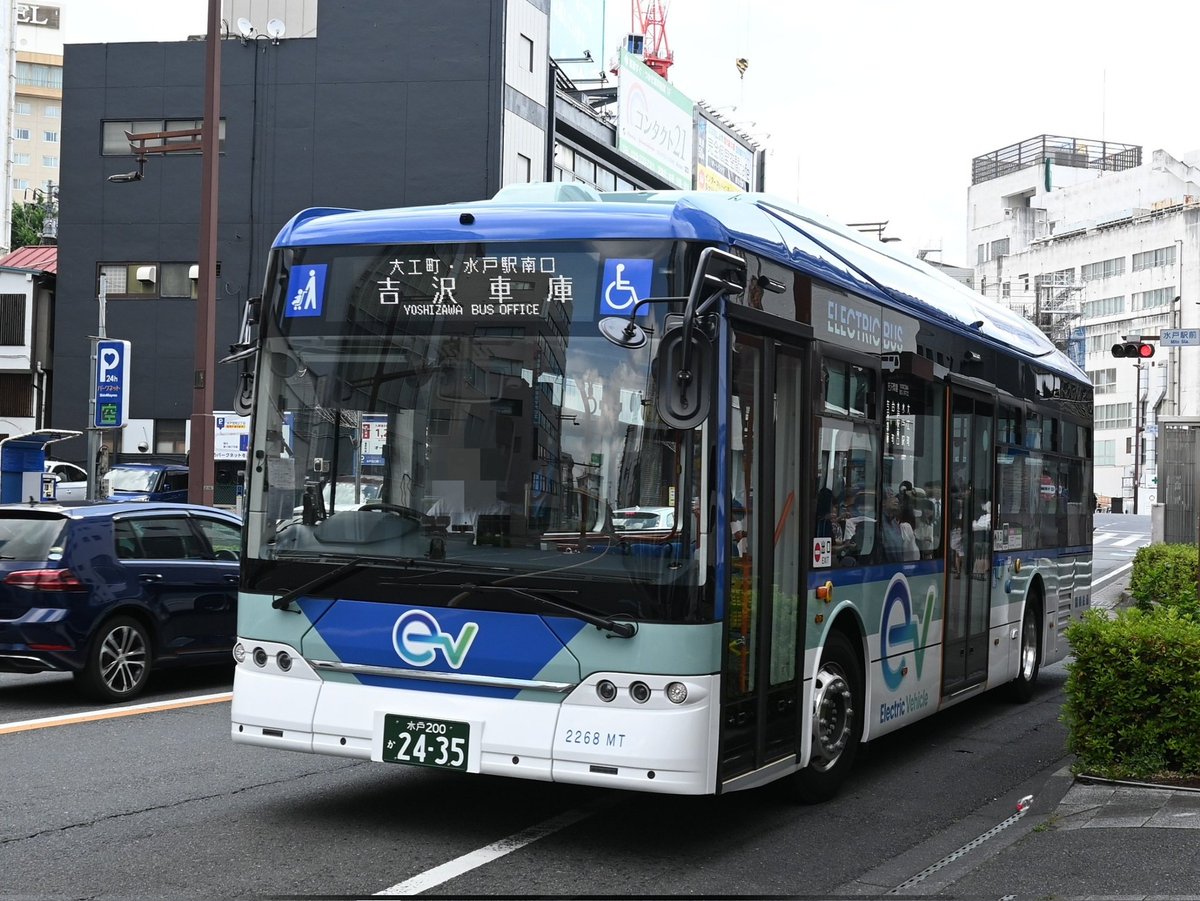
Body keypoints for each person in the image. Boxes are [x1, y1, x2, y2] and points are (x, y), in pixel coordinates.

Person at [881, 489, 920, 562]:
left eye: (895, 497)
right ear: (883, 502)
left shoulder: (894, 523)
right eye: (891, 496)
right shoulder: (879, 521)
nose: (896, 499)